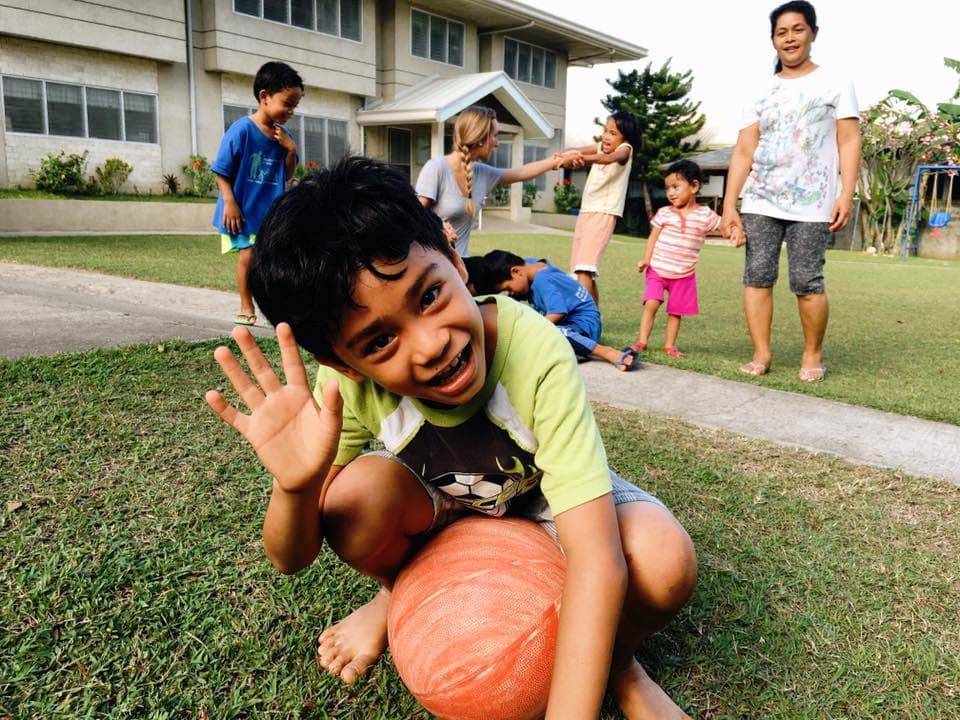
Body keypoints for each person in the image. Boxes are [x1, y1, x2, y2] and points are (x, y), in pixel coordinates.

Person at [204, 157, 697, 720]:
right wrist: (293, 488)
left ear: (455, 260)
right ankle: (396, 595)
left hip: (543, 495)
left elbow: (597, 559)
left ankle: (620, 663)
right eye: (381, 340)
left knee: (662, 562)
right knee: (350, 499)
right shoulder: (345, 387)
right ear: (342, 361)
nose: (430, 344)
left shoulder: (535, 352)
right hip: (445, 497)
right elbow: (290, 559)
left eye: (428, 296)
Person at [720, 0, 861, 381]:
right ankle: (761, 354)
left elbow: (849, 140)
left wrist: (845, 193)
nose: (790, 38)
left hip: (813, 203)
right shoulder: (758, 88)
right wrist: (730, 205)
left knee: (807, 280)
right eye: (782, 32)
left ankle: (812, 355)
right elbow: (744, 149)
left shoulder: (835, 81)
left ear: (813, 33)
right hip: (762, 199)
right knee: (757, 275)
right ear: (773, 40)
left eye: (797, 29)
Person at [211, 61, 302, 326]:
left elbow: (285, 176)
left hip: (270, 215)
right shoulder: (241, 130)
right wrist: (229, 202)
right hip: (243, 213)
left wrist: (291, 150)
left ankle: (276, 306)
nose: (291, 111)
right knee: (248, 256)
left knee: (274, 263)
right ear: (264, 97)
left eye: (294, 106)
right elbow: (221, 170)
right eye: (287, 103)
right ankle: (245, 304)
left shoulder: (283, 136)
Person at [415, 105, 565, 257]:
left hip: (460, 268)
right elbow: (412, 215)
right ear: (481, 138)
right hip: (431, 269)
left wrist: (557, 160)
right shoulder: (436, 168)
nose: (497, 143)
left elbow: (521, 172)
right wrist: (438, 226)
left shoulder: (482, 173)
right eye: (495, 136)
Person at [476, 249, 639, 371]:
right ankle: (572, 351)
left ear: (516, 271)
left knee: (550, 331)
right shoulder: (532, 265)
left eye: (509, 288)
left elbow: (558, 312)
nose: (511, 293)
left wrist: (531, 328)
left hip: (584, 325)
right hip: (573, 323)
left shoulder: (542, 281)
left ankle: (608, 352)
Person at [629, 160, 729, 358]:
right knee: (652, 303)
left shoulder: (705, 215)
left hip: (684, 274)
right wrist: (646, 260)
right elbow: (653, 238)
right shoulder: (665, 213)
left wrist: (736, 232)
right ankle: (642, 341)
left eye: (676, 187)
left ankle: (670, 346)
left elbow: (724, 226)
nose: (671, 193)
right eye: (668, 189)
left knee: (676, 311)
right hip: (657, 269)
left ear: (694, 186)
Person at [554, 111, 639, 304]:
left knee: (584, 268)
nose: (606, 136)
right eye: (605, 131)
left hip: (604, 212)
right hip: (587, 211)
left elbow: (607, 159)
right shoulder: (600, 147)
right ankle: (593, 316)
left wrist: (581, 159)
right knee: (582, 268)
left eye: (613, 133)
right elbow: (578, 150)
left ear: (625, 137)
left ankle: (582, 317)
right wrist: (564, 155)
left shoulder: (626, 150)